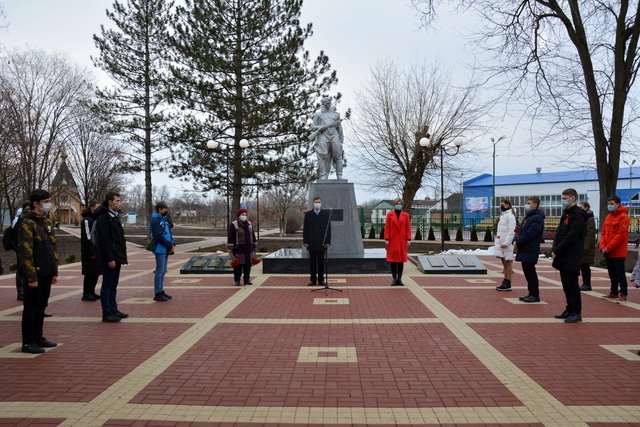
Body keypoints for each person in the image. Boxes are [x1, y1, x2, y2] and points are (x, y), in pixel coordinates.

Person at [17, 189, 59, 354]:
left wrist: (54, 270)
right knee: (31, 307)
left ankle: (38, 336)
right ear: (36, 203)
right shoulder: (27, 223)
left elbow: (52, 246)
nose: (49, 204)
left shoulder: (45, 221)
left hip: (47, 270)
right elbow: (25, 251)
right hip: (35, 272)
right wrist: (31, 275)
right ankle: (28, 342)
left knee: (41, 306)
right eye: (46, 201)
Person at [552, 188, 587, 323]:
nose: (563, 201)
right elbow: (560, 232)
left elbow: (572, 236)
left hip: (572, 254)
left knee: (572, 285)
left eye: (565, 198)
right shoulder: (567, 213)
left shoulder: (578, 215)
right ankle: (569, 309)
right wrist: (555, 247)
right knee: (566, 285)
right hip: (563, 255)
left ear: (573, 198)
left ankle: (576, 312)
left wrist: (558, 249)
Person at [95, 191, 128, 323]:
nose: (120, 203)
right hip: (110, 258)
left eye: (120, 201)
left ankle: (114, 309)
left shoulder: (114, 216)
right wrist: (109, 258)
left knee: (113, 285)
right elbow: (104, 241)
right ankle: (107, 313)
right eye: (117, 201)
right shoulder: (104, 218)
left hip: (117, 256)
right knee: (107, 285)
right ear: (110, 202)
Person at [599, 195, 631, 302]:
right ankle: (613, 292)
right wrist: (603, 247)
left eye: (612, 204)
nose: (609, 206)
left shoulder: (624, 217)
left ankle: (623, 292)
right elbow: (603, 233)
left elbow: (620, 236)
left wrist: (608, 247)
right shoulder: (608, 217)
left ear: (618, 204)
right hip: (608, 251)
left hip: (618, 252)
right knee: (612, 273)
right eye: (608, 204)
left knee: (620, 273)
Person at [514, 196, 545, 302]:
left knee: (531, 272)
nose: (527, 205)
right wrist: (516, 239)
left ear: (535, 204)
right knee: (527, 271)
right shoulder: (528, 216)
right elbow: (521, 230)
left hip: (530, 248)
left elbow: (531, 233)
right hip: (525, 248)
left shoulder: (537, 217)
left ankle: (535, 294)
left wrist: (519, 242)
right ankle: (531, 292)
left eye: (529, 203)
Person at [310, 96, 344, 179]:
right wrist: (320, 127)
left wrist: (341, 137)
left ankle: (339, 175)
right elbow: (312, 128)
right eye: (326, 103)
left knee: (338, 155)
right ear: (323, 104)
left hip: (334, 135)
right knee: (323, 156)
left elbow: (339, 127)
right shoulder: (318, 114)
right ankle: (323, 175)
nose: (328, 104)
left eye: (329, 102)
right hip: (323, 135)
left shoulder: (336, 115)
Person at [303, 196, 332, 286]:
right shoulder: (308, 214)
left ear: (321, 203)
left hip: (322, 243)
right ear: (313, 203)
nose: (317, 203)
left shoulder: (326, 214)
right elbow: (305, 229)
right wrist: (305, 241)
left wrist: (327, 242)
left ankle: (321, 280)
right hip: (311, 243)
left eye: (319, 202)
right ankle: (313, 280)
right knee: (312, 263)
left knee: (321, 263)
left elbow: (328, 229)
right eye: (316, 202)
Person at [150, 201, 175, 301]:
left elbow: (168, 233)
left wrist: (172, 243)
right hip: (160, 249)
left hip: (166, 248)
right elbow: (158, 236)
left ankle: (161, 290)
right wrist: (169, 245)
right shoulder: (156, 220)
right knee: (160, 271)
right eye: (165, 209)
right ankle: (157, 292)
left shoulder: (163, 219)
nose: (166, 211)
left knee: (163, 271)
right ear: (160, 209)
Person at [384, 197, 412, 286]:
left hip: (402, 240)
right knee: (393, 260)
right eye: (397, 204)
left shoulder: (406, 215)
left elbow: (408, 228)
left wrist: (408, 239)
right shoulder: (390, 215)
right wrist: (387, 239)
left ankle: (399, 279)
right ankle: (394, 279)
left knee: (401, 260)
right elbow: (387, 227)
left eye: (400, 204)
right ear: (394, 205)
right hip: (392, 240)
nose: (398, 205)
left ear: (402, 205)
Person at [227, 208, 257, 286]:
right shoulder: (234, 224)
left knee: (248, 265)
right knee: (238, 266)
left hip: (248, 248)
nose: (244, 216)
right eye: (242, 215)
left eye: (245, 215)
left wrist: (254, 244)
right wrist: (230, 248)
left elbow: (252, 235)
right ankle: (237, 280)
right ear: (239, 216)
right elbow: (231, 237)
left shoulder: (249, 224)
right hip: (238, 248)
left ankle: (247, 280)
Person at [80, 201, 101, 301]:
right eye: (96, 207)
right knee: (89, 273)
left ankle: (92, 291)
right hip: (89, 251)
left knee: (95, 272)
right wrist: (91, 252)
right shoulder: (87, 220)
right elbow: (88, 237)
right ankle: (86, 293)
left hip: (97, 250)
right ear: (92, 208)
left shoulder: (95, 219)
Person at [495, 199, 517, 291]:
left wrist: (507, 242)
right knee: (504, 263)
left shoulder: (510, 216)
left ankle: (508, 282)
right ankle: (505, 280)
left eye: (503, 204)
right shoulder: (503, 215)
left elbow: (511, 231)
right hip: (501, 242)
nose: (501, 206)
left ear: (508, 205)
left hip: (506, 243)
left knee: (508, 262)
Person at [579, 201, 596, 291]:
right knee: (583, 266)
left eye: (581, 208)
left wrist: (585, 247)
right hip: (583, 246)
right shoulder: (584, 218)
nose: (580, 209)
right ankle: (585, 283)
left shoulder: (590, 219)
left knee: (585, 266)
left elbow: (590, 234)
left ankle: (587, 284)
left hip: (587, 247)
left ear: (586, 208)